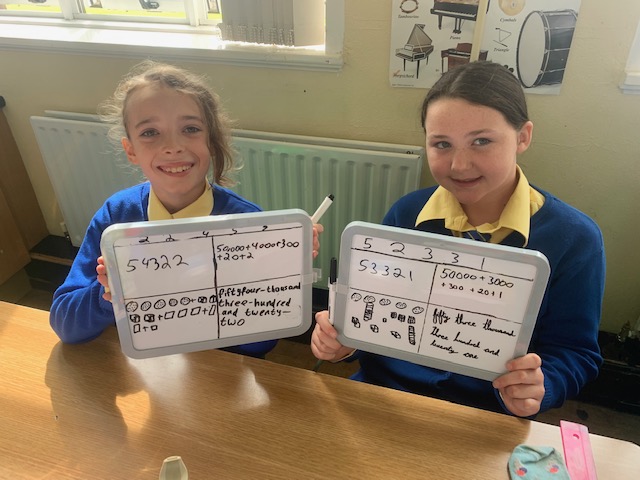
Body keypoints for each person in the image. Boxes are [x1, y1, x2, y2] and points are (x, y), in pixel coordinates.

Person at [311, 61, 604, 417]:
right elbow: (372, 315)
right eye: (442, 144)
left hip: (486, 414)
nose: (459, 165)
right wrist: (343, 340)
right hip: (384, 395)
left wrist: (543, 384)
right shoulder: (407, 215)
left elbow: (576, 352)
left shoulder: (574, 239)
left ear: (523, 137)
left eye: (482, 141)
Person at [50, 61, 322, 357]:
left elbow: (259, 346)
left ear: (211, 141)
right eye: (150, 132)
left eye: (190, 129)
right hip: (143, 370)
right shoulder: (117, 216)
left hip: (216, 372)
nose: (173, 146)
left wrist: (267, 278)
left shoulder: (248, 225)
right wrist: (110, 294)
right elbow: (66, 325)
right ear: (131, 150)